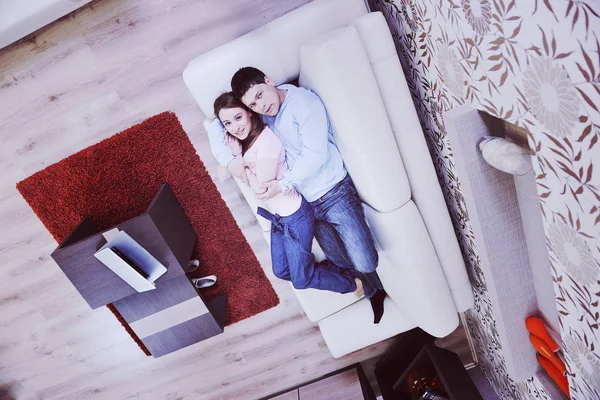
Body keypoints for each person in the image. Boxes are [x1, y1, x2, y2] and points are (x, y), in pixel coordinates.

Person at [208, 67, 386, 323]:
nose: (261, 106)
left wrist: (283, 184)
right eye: (252, 104)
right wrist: (230, 159)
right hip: (306, 203)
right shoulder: (263, 114)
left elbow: (315, 155)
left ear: (269, 81)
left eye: (260, 95)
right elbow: (217, 123)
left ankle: (370, 283)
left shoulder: (303, 103)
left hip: (334, 192)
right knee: (340, 259)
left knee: (366, 262)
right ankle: (373, 291)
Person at [214, 92, 364, 297]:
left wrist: (237, 158)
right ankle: (341, 271)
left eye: (238, 118)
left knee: (301, 280)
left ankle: (353, 285)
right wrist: (237, 163)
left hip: (295, 217)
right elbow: (222, 174)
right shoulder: (247, 141)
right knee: (282, 271)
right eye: (227, 124)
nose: (234, 127)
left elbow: (261, 190)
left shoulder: (265, 142)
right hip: (280, 218)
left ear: (249, 112)